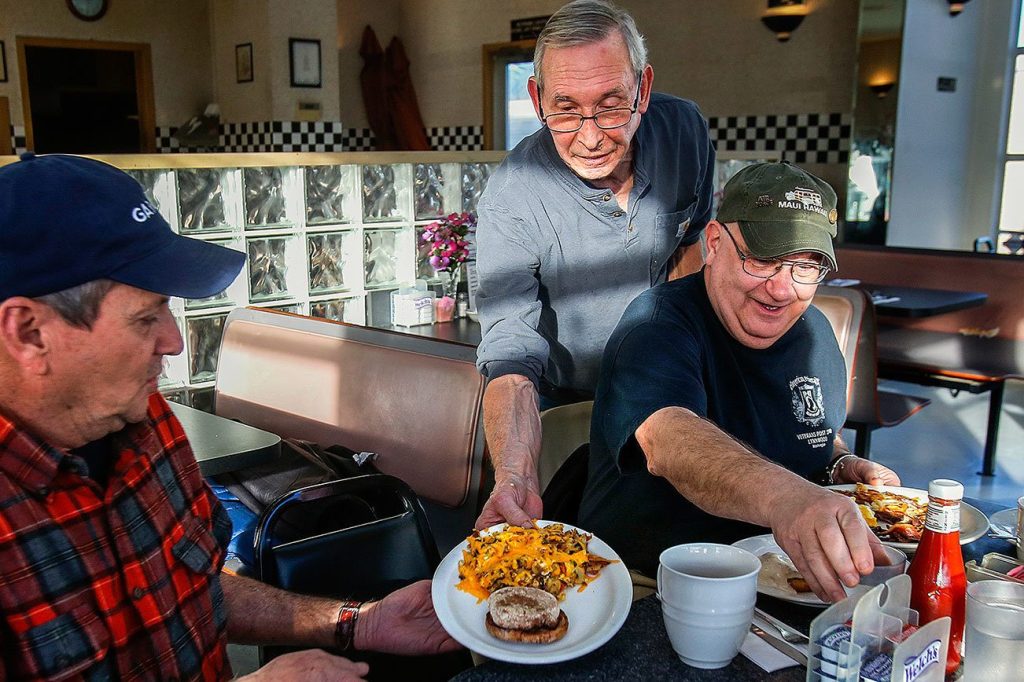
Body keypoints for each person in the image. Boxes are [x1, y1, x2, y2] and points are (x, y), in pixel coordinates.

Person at [0, 153, 459, 680]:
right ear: (30, 333)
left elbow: (191, 591)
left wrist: (356, 623)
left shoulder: (147, 425)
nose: (174, 341)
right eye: (146, 318)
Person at [578, 162, 901, 602]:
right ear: (714, 243)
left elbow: (816, 432)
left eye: (805, 267)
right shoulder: (656, 324)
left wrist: (840, 465)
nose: (781, 290)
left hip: (781, 577)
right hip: (652, 581)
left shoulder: (815, 333)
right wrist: (787, 498)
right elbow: (668, 440)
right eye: (763, 260)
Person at [474, 0, 716, 529]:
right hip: (572, 403)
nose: (590, 137)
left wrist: (694, 369)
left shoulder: (684, 131)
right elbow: (510, 353)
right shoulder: (513, 197)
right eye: (564, 110)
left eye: (611, 106)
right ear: (536, 99)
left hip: (672, 386)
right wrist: (514, 476)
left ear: (643, 89)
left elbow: (692, 245)